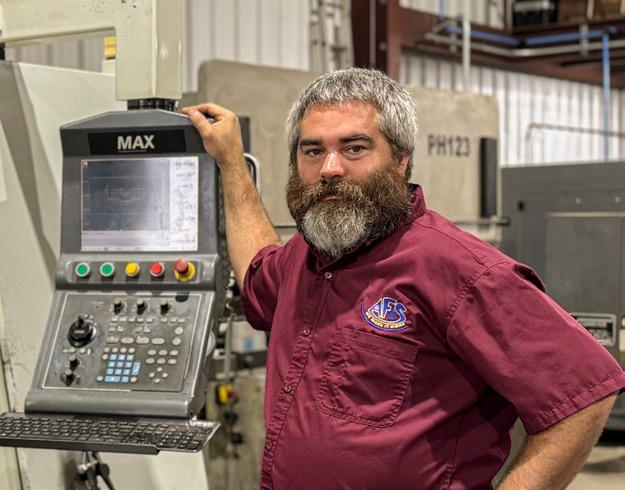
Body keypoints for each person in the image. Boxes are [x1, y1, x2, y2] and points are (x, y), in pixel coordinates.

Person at [184, 68, 625, 489]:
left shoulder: (459, 269)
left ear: (400, 160)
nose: (330, 168)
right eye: (313, 151)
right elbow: (258, 269)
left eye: (354, 148)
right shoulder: (303, 257)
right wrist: (232, 164)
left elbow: (583, 393)